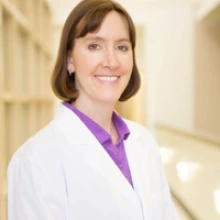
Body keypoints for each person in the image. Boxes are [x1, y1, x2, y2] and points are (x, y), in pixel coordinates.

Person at [7, 0, 179, 219]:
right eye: (95, 46)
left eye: (122, 47)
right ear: (70, 60)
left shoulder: (144, 141)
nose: (111, 61)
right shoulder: (35, 159)